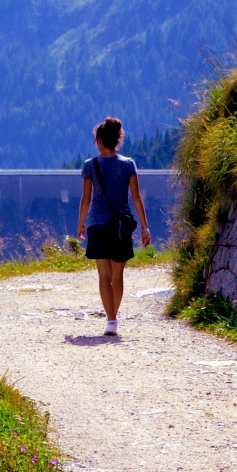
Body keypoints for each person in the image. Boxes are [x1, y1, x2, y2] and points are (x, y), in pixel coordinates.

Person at [75, 116, 151, 335]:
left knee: (104, 277)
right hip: (121, 226)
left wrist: (81, 224)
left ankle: (111, 320)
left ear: (99, 140)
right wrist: (145, 227)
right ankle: (113, 318)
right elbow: (136, 197)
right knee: (118, 277)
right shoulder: (128, 164)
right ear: (117, 139)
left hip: (97, 224)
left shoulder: (90, 166)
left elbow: (86, 199)